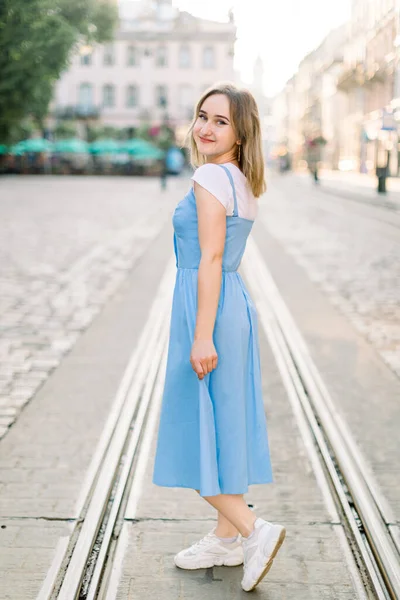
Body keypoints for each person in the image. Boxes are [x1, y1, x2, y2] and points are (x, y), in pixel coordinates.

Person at [152, 82, 286, 592]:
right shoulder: (241, 180)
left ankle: (254, 530)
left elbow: (208, 257)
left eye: (221, 121)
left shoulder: (209, 175)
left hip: (206, 304)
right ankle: (225, 537)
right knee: (225, 424)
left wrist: (201, 334)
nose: (205, 128)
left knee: (193, 425)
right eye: (202, 116)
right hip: (234, 302)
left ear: (240, 132)